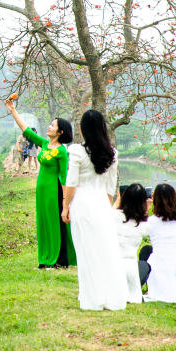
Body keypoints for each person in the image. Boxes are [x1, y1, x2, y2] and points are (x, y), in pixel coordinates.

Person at [62, 109, 128, 311]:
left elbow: (71, 183)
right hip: (102, 204)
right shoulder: (112, 153)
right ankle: (109, 295)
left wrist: (66, 207)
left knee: (85, 251)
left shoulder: (76, 151)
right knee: (104, 249)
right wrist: (105, 207)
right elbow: (110, 187)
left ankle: (91, 296)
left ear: (82, 129)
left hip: (82, 203)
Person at [5, 96, 77, 268]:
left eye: (53, 125)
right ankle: (44, 259)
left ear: (60, 132)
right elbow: (26, 130)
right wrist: (13, 110)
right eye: (50, 124)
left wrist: (65, 203)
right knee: (43, 223)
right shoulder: (45, 144)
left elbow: (63, 177)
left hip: (53, 192)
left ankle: (56, 260)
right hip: (41, 191)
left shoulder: (61, 151)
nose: (49, 126)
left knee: (53, 223)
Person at [113, 183, 151, 303]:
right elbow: (144, 225)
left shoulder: (112, 216)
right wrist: (146, 210)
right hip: (129, 270)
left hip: (110, 265)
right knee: (145, 265)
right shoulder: (144, 225)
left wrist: (117, 203)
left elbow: (108, 215)